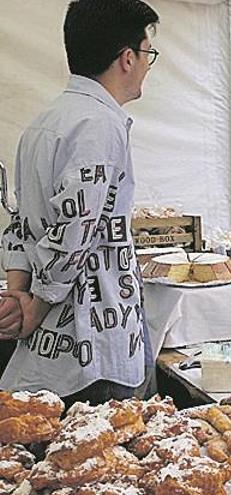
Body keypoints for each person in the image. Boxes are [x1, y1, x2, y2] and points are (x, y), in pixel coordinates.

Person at [0, 0, 159, 404]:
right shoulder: (98, 123)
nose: (146, 66)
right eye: (147, 54)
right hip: (92, 348)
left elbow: (21, 223)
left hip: (54, 346)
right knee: (101, 457)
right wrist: (33, 306)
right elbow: (76, 231)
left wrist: (17, 294)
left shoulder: (44, 122)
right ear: (127, 58)